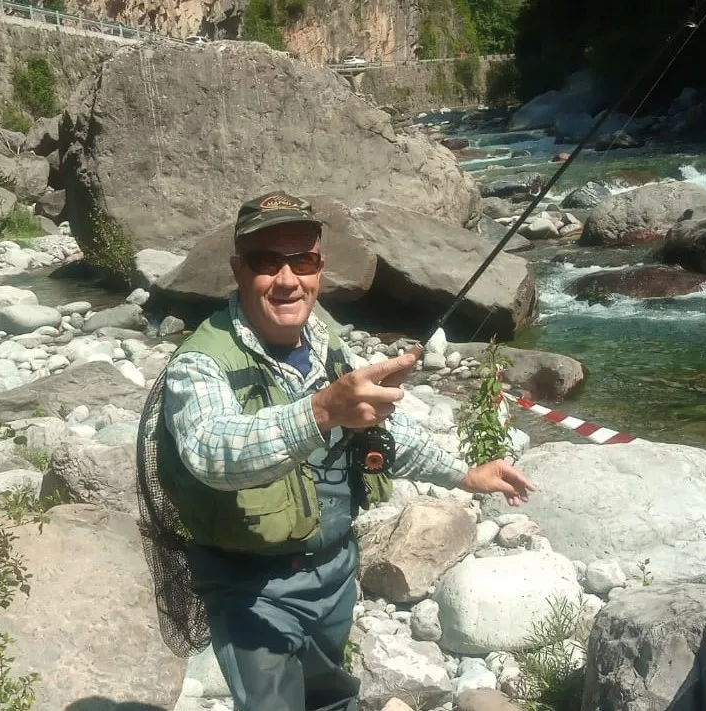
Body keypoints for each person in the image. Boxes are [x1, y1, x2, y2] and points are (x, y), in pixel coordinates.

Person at [159, 190, 535, 711]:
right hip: (248, 586)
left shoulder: (323, 338)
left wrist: (465, 473)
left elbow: (376, 434)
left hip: (335, 572)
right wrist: (322, 410)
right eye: (267, 262)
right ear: (238, 270)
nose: (287, 279)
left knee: (332, 697)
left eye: (302, 260)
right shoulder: (197, 364)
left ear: (320, 268)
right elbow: (210, 451)